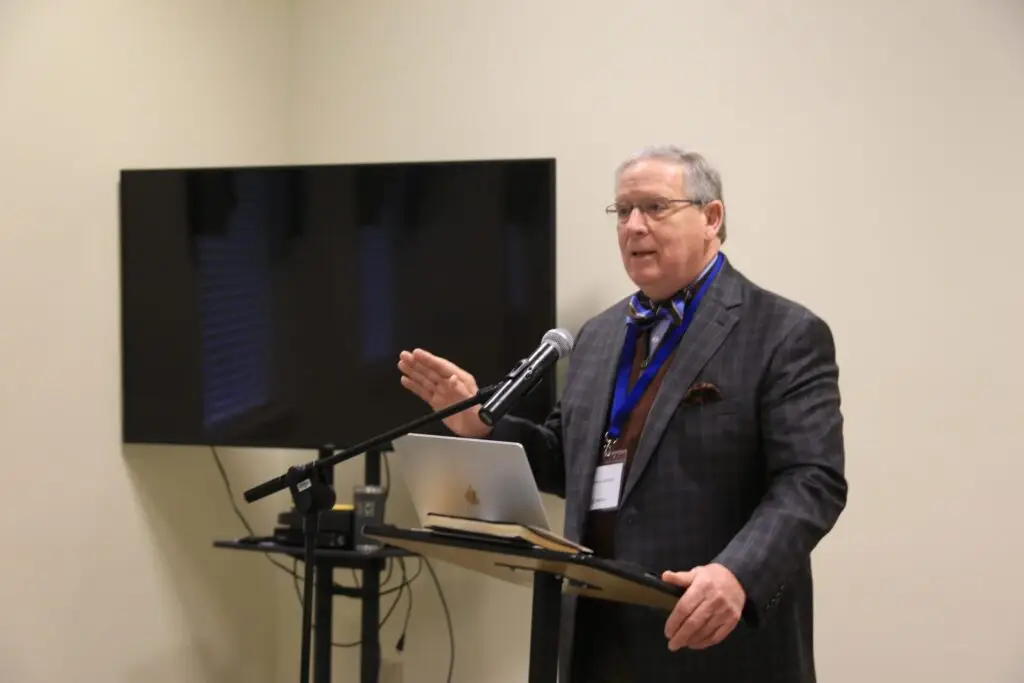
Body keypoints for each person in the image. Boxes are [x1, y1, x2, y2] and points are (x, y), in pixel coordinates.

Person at [396, 145, 847, 683]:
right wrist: (479, 426)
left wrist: (737, 575)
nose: (633, 226)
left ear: (711, 217)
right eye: (623, 210)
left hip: (710, 633)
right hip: (598, 634)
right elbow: (570, 460)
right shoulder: (599, 335)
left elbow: (812, 480)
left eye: (655, 208)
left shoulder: (783, 332)